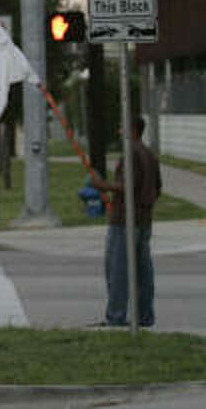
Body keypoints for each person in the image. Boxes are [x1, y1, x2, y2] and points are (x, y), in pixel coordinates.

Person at [89, 116, 162, 327]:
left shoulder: (131, 153)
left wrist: (102, 185)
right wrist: (145, 205)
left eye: (122, 127)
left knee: (117, 269)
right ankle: (145, 316)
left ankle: (116, 317)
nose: (120, 131)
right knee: (142, 272)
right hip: (144, 221)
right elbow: (157, 188)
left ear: (133, 130)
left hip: (124, 221)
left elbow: (126, 186)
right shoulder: (149, 154)